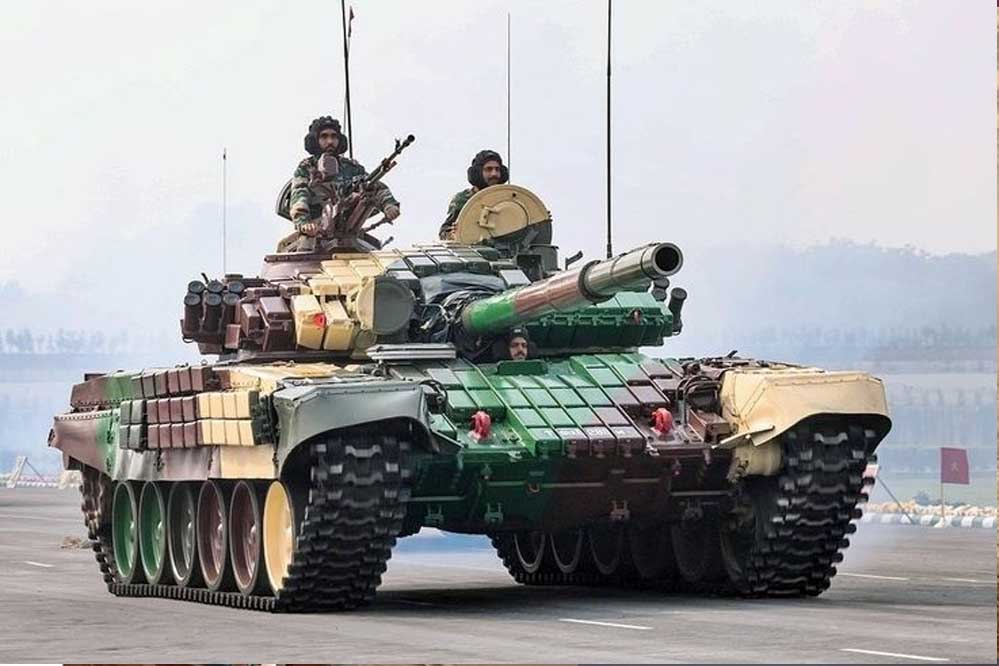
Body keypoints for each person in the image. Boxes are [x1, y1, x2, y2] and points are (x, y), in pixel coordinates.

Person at [289, 116, 400, 237]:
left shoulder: (351, 167)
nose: (330, 141)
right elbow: (299, 194)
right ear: (315, 140)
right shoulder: (307, 167)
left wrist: (389, 205)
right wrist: (303, 222)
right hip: (318, 227)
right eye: (324, 137)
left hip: (349, 224)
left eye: (334, 136)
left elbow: (373, 185)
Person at [438, 149, 509, 239]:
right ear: (477, 172)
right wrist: (453, 234)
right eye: (488, 169)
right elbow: (444, 232)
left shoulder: (508, 198)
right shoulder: (464, 199)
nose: (494, 174)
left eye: (497, 169)